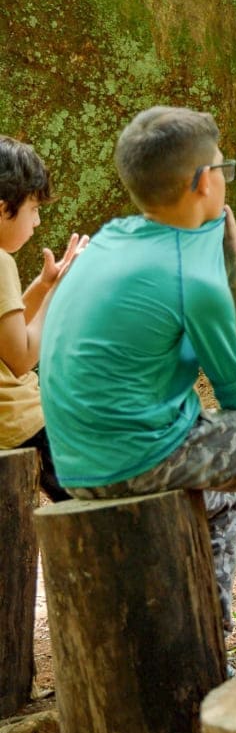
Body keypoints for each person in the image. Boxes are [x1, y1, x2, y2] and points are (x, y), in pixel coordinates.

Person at [39, 107, 236, 631]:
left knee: (221, 502)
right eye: (221, 168)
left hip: (76, 465)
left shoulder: (111, 240)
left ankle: (206, 643)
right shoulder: (195, 275)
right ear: (203, 183)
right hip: (137, 458)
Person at [0, 136, 87, 500]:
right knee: (98, 502)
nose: (36, 222)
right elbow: (20, 358)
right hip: (24, 423)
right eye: (34, 208)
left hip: (12, 427)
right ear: (4, 208)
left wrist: (43, 285)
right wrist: (59, 293)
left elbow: (5, 335)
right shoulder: (1, 261)